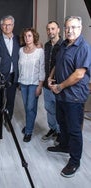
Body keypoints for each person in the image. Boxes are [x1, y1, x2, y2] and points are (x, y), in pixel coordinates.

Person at [47, 16, 91, 178]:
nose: (70, 30)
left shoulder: (83, 47)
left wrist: (59, 86)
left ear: (80, 28)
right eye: (67, 27)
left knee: (74, 130)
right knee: (62, 123)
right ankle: (64, 146)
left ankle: (74, 161)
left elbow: (79, 74)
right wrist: (51, 77)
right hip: (61, 96)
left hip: (74, 97)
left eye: (73, 27)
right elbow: (57, 64)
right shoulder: (64, 45)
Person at [0, 15, 20, 120]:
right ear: (1, 26)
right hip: (0, 76)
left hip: (13, 75)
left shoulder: (18, 39)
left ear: (13, 25)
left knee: (10, 100)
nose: (7, 27)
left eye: (9, 24)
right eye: (5, 25)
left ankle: (8, 120)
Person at [18, 28, 45, 142]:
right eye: (25, 36)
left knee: (30, 107)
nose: (27, 38)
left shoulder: (40, 51)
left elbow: (42, 69)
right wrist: (19, 81)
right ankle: (30, 124)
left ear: (34, 37)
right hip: (23, 83)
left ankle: (28, 131)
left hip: (34, 83)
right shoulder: (21, 51)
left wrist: (40, 85)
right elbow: (20, 68)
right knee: (27, 107)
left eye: (29, 36)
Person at [41, 21, 63, 143]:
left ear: (58, 30)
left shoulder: (64, 45)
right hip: (46, 84)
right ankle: (53, 129)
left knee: (58, 110)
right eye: (48, 29)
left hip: (58, 84)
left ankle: (60, 132)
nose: (50, 31)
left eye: (53, 29)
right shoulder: (47, 45)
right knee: (49, 108)